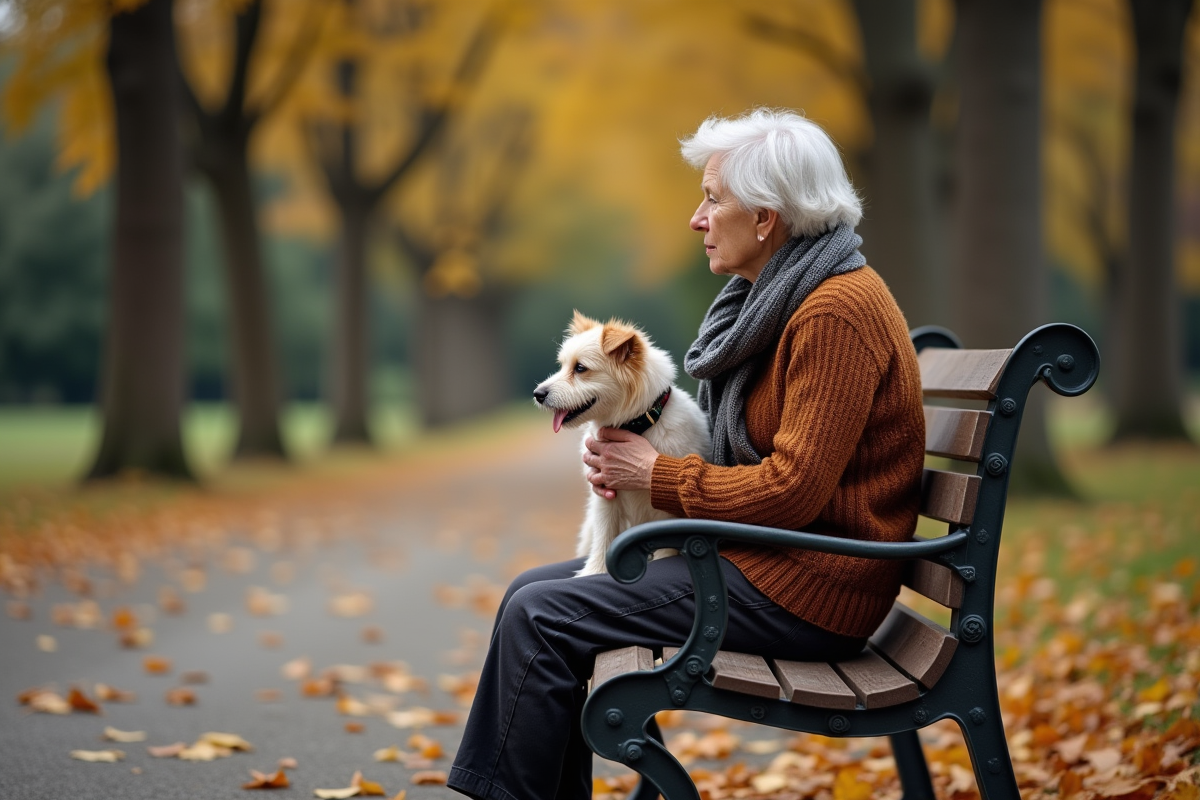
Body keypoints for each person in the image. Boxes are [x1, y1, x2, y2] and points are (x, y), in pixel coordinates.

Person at [446, 108, 925, 800]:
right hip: (771, 563)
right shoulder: (784, 299)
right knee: (529, 593)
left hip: (812, 591)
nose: (697, 219)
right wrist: (632, 463)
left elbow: (795, 489)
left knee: (541, 616)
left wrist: (657, 475)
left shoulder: (833, 311)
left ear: (765, 218)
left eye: (712, 199)